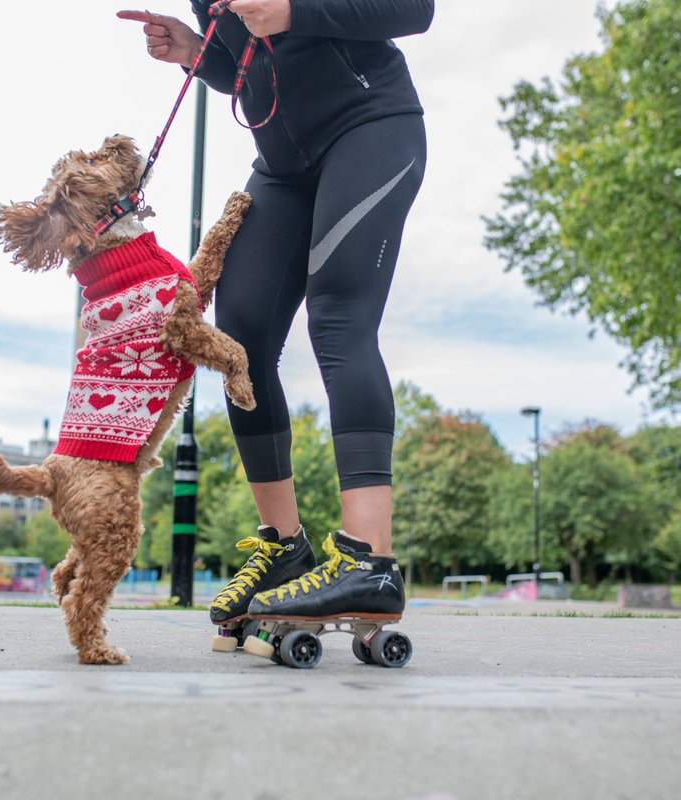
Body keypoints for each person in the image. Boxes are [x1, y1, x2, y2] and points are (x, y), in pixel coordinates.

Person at [118, 0, 432, 625]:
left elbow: (414, 9)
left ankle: (369, 560)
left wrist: (292, 11)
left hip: (370, 126)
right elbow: (250, 66)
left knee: (338, 319)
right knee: (240, 338)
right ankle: (285, 549)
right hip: (284, 165)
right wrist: (197, 53)